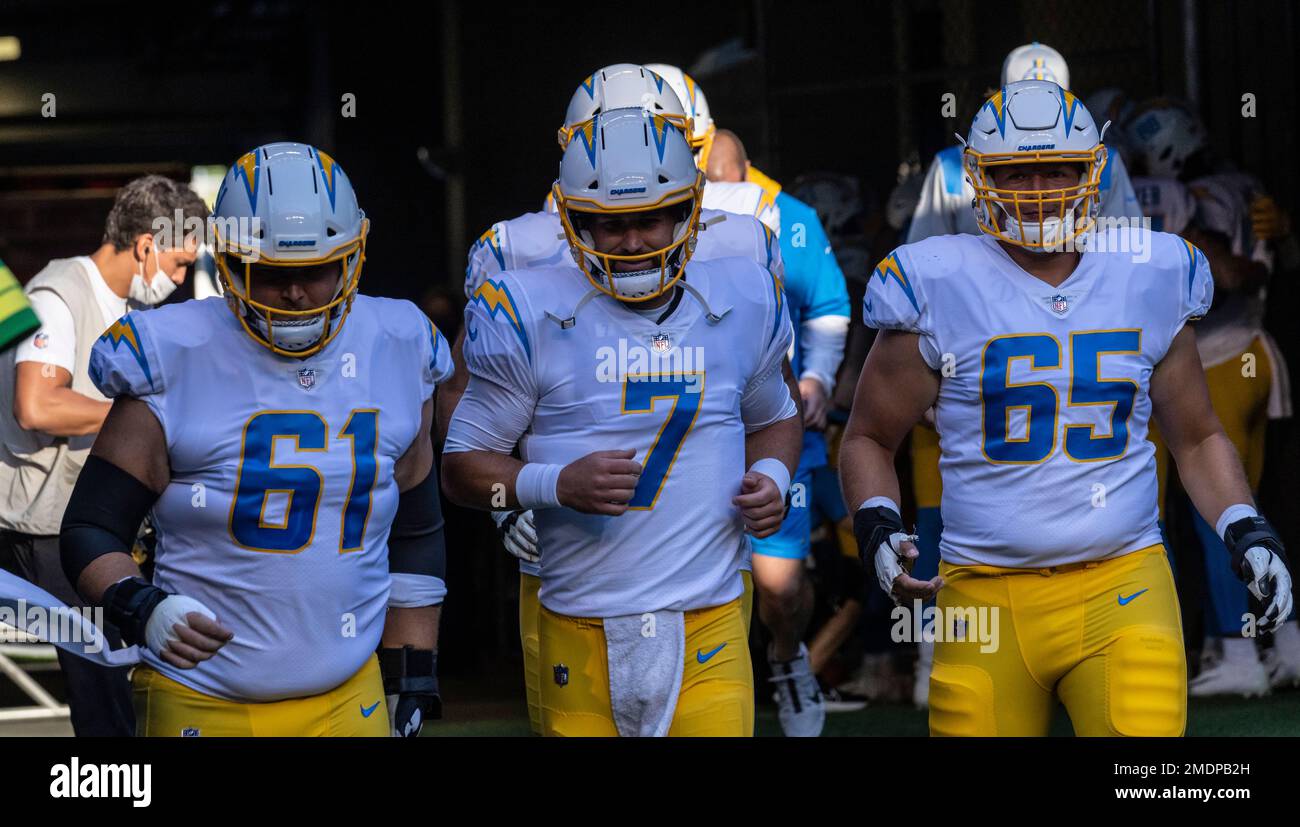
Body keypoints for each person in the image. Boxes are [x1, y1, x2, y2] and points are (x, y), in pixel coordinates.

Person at [840, 80, 1293, 736]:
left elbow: (1196, 437)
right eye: (1016, 172)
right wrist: (880, 523)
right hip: (983, 596)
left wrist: (1245, 525)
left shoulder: (1146, 272)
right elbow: (869, 437)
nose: (1040, 188)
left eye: (1058, 169)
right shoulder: (937, 280)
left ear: (1095, 172)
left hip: (1123, 583)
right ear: (978, 179)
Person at [58, 143, 451, 736]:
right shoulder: (174, 353)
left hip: (351, 696)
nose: (294, 294)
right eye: (270, 273)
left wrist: (413, 670)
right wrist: (141, 606)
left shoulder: (397, 343)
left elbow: (416, 528)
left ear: (351, 258)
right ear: (231, 263)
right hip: (205, 700)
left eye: (314, 271)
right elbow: (90, 528)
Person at [446, 63, 785, 735]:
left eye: (654, 217)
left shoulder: (743, 255)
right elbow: (465, 420)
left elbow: (766, 404)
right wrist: (524, 492)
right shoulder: (518, 259)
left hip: (702, 587)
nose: (633, 238)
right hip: (573, 580)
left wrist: (771, 476)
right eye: (610, 221)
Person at [0, 175, 206, 736]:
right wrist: (140, 424)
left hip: (80, 517)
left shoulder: (122, 306)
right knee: (102, 674)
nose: (183, 279)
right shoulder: (59, 295)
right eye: (180, 263)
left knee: (115, 674)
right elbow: (36, 404)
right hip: (44, 525)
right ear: (146, 246)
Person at [702, 124, 851, 736]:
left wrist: (815, 379)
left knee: (779, 586)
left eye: (719, 179)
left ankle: (788, 655)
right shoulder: (655, 222)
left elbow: (830, 306)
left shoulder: (788, 219)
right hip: (693, 428)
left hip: (773, 417)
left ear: (743, 174)